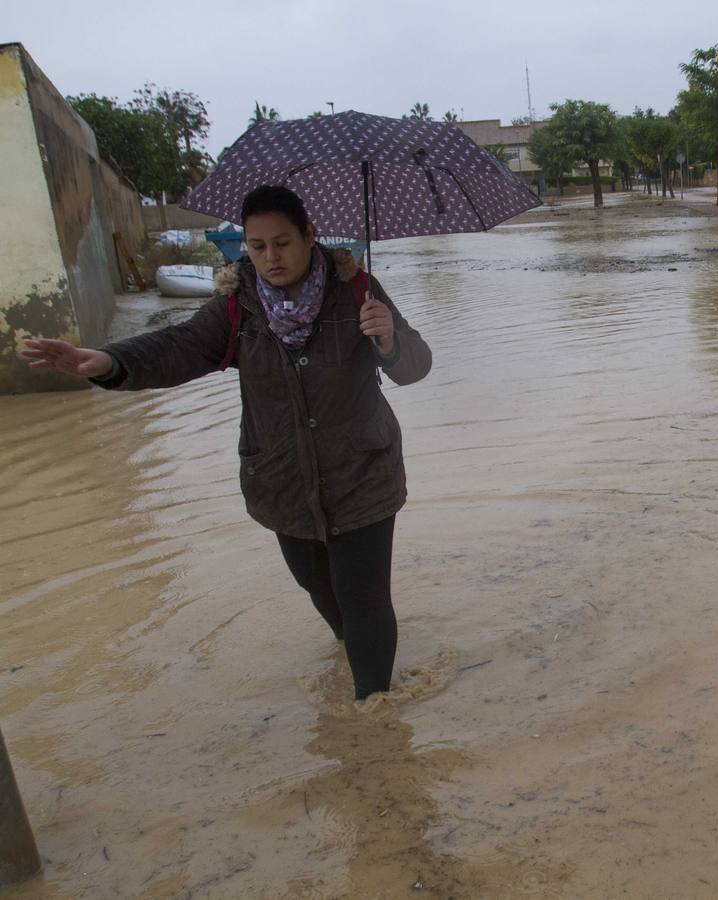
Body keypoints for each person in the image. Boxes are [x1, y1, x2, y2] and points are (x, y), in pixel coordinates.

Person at [21, 185, 432, 700]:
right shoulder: (239, 308)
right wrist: (107, 362)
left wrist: (390, 340)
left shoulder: (358, 293)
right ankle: (351, 645)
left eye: (281, 242)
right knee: (319, 588)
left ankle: (374, 717)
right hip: (281, 479)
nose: (269, 257)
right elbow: (178, 348)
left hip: (361, 473)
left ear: (309, 235)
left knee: (364, 596)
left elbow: (415, 368)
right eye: (256, 247)